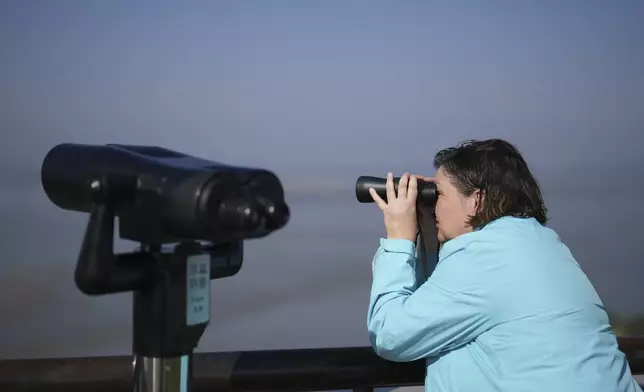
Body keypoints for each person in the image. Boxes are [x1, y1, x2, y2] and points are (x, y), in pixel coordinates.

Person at [366, 139, 642, 391]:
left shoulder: (484, 259)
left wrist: (398, 238)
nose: (434, 203)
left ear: (476, 200)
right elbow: (436, 310)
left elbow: (391, 335)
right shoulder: (536, 244)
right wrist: (426, 228)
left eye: (439, 195)